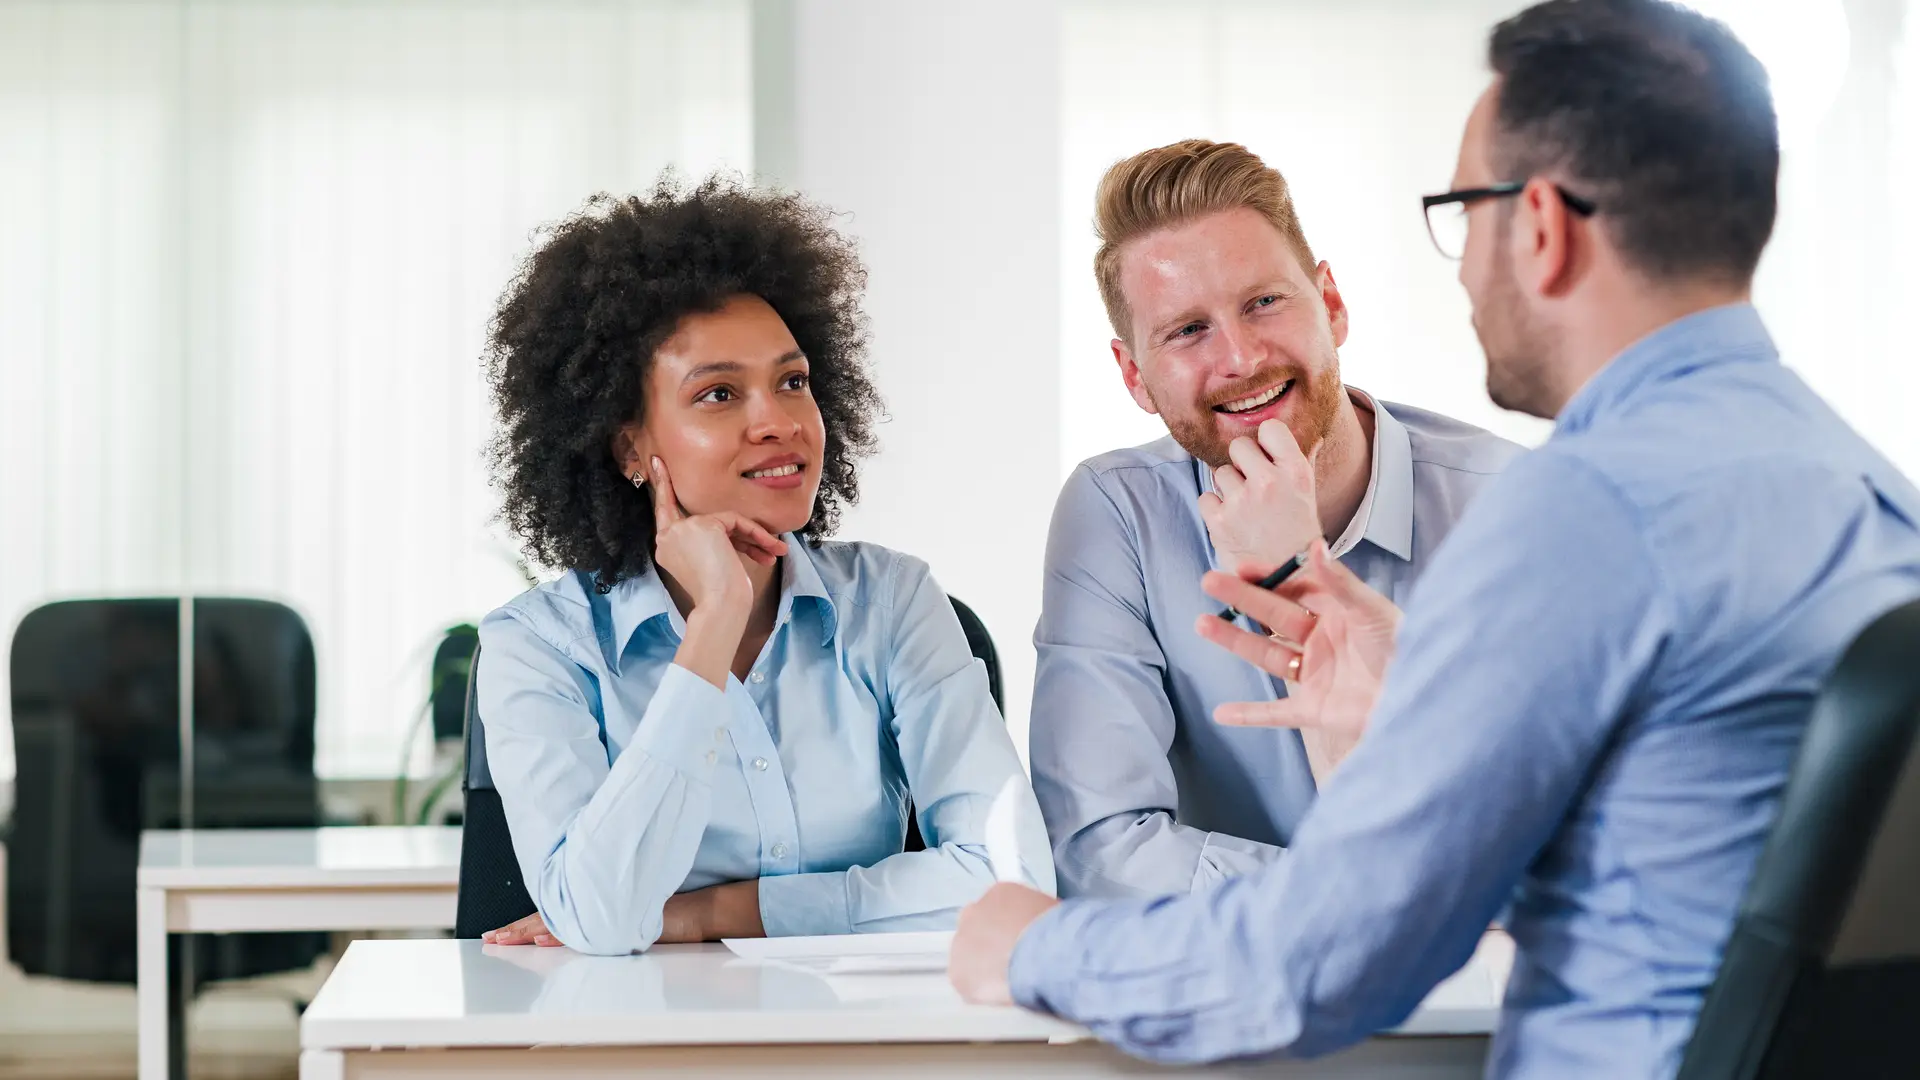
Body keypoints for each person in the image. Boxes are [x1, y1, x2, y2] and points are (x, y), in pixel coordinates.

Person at [951, 2, 1920, 1077]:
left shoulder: (1577, 511)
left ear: (1541, 228)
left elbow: (1322, 962)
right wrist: (1414, 710)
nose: (1460, 271)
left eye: (1464, 213)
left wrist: (1037, 945)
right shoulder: (1874, 492)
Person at [474, 177, 1053, 955]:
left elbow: (1012, 879)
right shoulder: (539, 646)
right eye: (718, 394)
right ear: (629, 448)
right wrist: (712, 623)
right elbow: (603, 920)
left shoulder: (892, 601)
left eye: (792, 382)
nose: (778, 423)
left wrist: (707, 913)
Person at [1031, 138, 1521, 899]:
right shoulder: (1117, 514)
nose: (1242, 357)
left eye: (1263, 302)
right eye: (1187, 330)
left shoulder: (1507, 503)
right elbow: (1102, 851)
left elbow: (1527, 841)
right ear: (1135, 376)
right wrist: (1361, 902)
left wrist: (1297, 565)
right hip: (1231, 997)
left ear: (1331, 303)